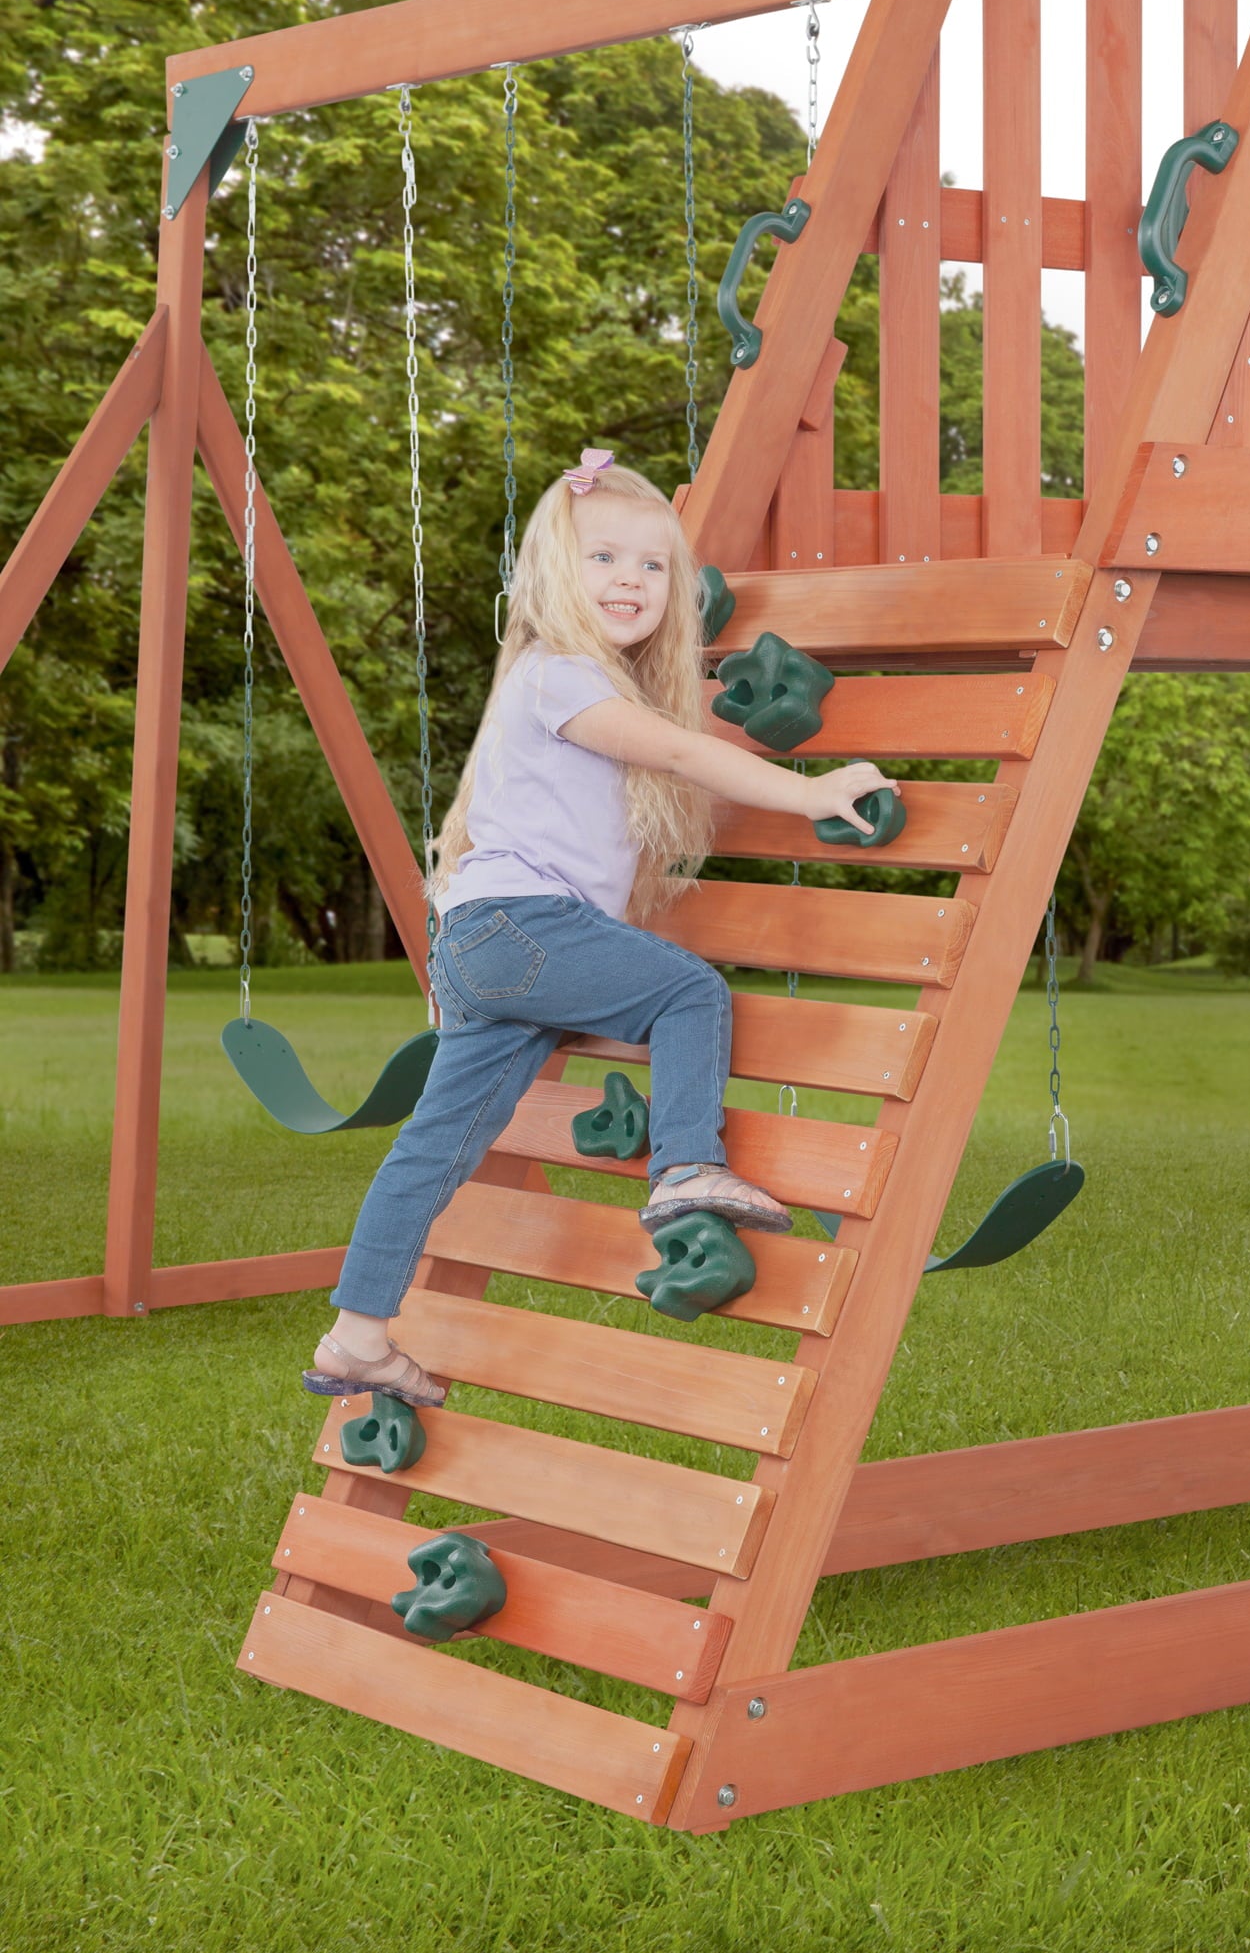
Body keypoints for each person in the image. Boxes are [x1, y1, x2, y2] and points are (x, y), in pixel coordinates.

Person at [303, 450, 894, 1407]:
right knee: (686, 989)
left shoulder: (563, 681)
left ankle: (357, 1335)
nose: (630, 580)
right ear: (552, 576)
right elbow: (672, 748)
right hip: (519, 930)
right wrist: (809, 790)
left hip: (485, 945)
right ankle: (685, 1166)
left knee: (434, 1148)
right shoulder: (559, 675)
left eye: (652, 566)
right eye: (603, 558)